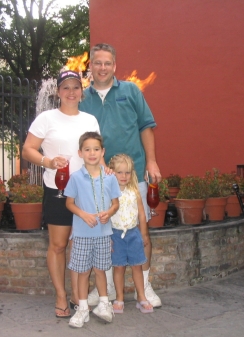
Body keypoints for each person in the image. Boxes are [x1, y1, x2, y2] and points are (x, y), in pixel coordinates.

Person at [79, 43, 162, 307]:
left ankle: (145, 285)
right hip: (99, 178)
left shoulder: (131, 91)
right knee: (102, 235)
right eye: (97, 63)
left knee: (140, 232)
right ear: (90, 66)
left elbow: (146, 127)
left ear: (114, 66)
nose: (102, 67)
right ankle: (104, 290)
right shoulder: (83, 98)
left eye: (107, 63)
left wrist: (151, 162)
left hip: (133, 175)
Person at [22, 70, 100, 319]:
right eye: (65, 87)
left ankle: (79, 296)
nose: (71, 92)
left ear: (81, 91)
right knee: (58, 245)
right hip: (57, 189)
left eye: (75, 87)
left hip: (85, 190)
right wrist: (47, 161)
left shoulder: (90, 120)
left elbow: (97, 154)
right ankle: (60, 295)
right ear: (58, 92)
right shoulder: (47, 118)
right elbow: (27, 150)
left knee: (81, 245)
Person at [65, 131, 121, 328]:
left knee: (100, 270)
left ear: (102, 152)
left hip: (103, 233)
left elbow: (116, 203)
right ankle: (82, 308)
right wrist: (83, 214)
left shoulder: (110, 177)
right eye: (87, 149)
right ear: (80, 153)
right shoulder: (76, 178)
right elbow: (69, 203)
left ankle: (104, 304)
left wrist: (109, 212)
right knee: (82, 272)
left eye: (96, 149)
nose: (92, 153)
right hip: (82, 234)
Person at [108, 154, 154, 314]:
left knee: (137, 266)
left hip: (133, 234)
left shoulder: (134, 191)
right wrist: (108, 237)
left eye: (127, 172)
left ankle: (141, 296)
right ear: (112, 172)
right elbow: (106, 216)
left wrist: (144, 234)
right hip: (115, 234)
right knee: (119, 268)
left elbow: (141, 214)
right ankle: (119, 298)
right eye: (119, 172)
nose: (123, 176)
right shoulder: (109, 193)